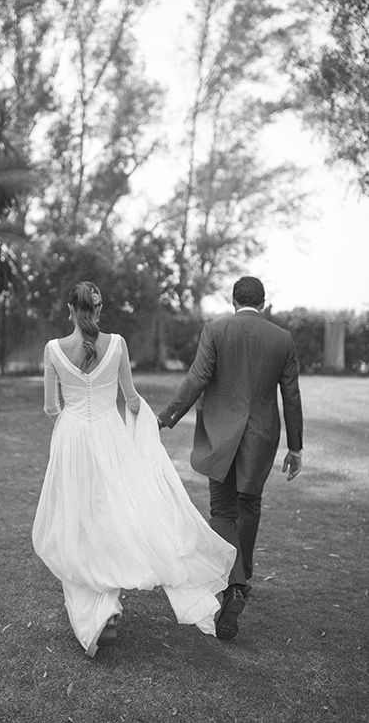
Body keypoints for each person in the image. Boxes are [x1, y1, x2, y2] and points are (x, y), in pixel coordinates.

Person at [32, 281, 236, 657]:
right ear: (98, 309)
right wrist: (137, 438)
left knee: (78, 521)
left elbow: (50, 408)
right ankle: (105, 606)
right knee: (113, 514)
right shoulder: (119, 344)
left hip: (72, 439)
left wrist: (71, 425)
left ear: (69, 309)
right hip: (110, 435)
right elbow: (131, 400)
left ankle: (101, 611)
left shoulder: (53, 350)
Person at [157, 276, 303, 641]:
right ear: (263, 303)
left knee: (223, 509)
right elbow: (292, 395)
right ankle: (242, 579)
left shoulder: (216, 330)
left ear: (233, 300)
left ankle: (233, 583)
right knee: (249, 503)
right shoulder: (282, 338)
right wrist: (295, 447)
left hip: (221, 433)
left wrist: (167, 416)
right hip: (262, 435)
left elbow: (198, 377)